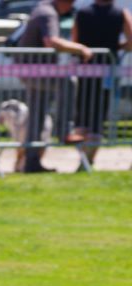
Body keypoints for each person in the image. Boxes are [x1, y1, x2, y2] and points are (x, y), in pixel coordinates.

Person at [16, 0, 92, 173]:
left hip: (33, 71)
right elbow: (51, 41)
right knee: (68, 81)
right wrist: (80, 48)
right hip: (36, 71)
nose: (71, 8)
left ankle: (31, 163)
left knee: (36, 118)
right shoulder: (48, 13)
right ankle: (64, 130)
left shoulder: (41, 9)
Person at [71, 0, 132, 167]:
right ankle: (89, 159)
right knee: (99, 115)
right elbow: (131, 38)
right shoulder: (120, 13)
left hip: (85, 69)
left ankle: (82, 159)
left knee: (82, 115)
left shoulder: (82, 13)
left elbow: (74, 40)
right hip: (107, 69)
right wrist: (118, 47)